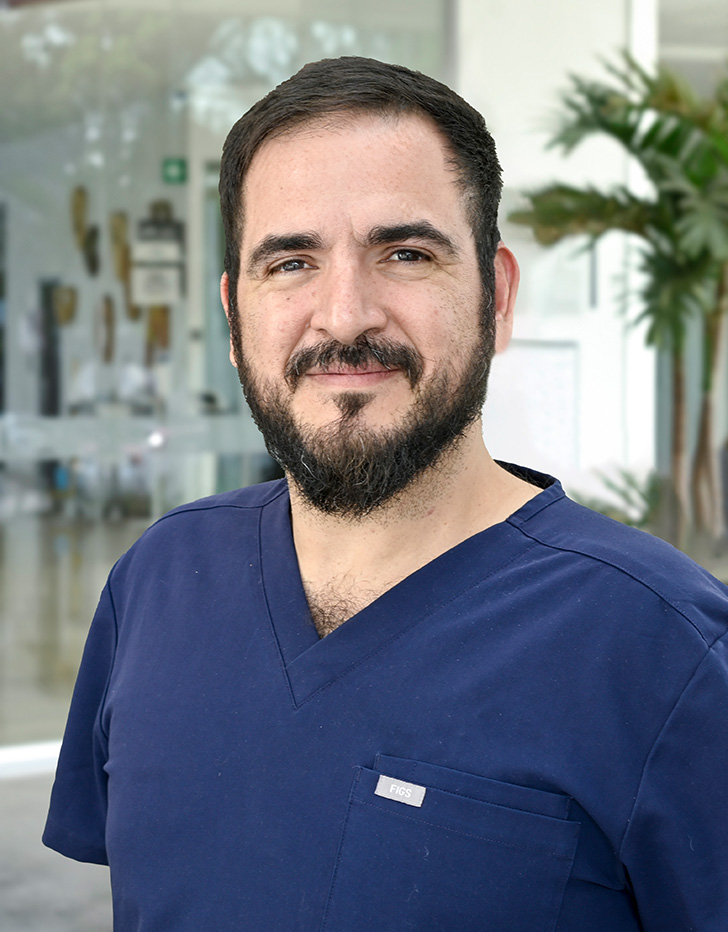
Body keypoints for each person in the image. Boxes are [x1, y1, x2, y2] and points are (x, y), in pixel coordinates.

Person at [44, 57, 728, 932]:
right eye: (290, 262)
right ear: (233, 317)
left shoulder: (663, 652)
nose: (343, 315)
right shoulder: (158, 580)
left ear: (497, 295)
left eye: (404, 253)